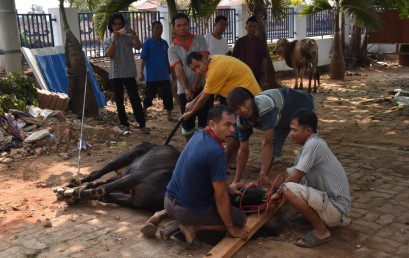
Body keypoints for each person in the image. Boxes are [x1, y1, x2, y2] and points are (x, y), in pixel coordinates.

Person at [165, 105, 248, 249]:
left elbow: (205, 177)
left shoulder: (199, 134)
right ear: (212, 124)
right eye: (227, 125)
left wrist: (228, 188)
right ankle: (192, 228)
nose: (233, 130)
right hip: (186, 211)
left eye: (234, 125)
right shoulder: (217, 153)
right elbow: (220, 197)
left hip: (168, 202)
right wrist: (231, 227)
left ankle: (165, 216)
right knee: (240, 219)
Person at [270, 109, 351, 248]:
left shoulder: (314, 145)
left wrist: (277, 193)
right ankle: (313, 216)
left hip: (337, 209)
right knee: (290, 177)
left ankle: (322, 231)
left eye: (294, 130)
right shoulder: (310, 144)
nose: (291, 134)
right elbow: (294, 174)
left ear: (307, 130)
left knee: (288, 189)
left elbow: (295, 178)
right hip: (331, 203)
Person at [181, 51, 262, 170]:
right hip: (242, 97)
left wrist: (190, 113)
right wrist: (192, 103)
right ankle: (229, 162)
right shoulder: (213, 61)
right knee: (236, 131)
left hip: (248, 101)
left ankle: (223, 164)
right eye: (194, 70)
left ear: (204, 58)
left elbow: (205, 97)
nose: (197, 71)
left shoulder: (215, 70)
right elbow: (207, 89)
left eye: (198, 66)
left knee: (234, 132)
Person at [226, 87, 315, 187]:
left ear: (250, 99)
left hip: (301, 105)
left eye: (243, 104)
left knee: (310, 143)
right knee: (272, 147)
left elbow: (266, 143)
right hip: (280, 119)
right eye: (237, 109)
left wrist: (262, 172)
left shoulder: (265, 106)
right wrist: (236, 181)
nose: (242, 110)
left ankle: (312, 177)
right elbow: (243, 149)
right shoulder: (241, 121)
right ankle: (263, 181)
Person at [103, 13, 149, 134]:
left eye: (119, 24)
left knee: (135, 99)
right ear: (111, 26)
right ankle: (124, 124)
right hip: (116, 74)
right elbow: (109, 54)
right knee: (119, 100)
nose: (117, 27)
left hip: (128, 72)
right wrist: (114, 40)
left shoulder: (128, 38)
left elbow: (139, 47)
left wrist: (133, 34)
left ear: (123, 25)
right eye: (115, 24)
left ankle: (142, 124)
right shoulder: (107, 40)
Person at [168, 13, 212, 142]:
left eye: (185, 24)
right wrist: (187, 89)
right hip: (184, 91)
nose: (182, 28)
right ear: (174, 28)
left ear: (189, 25)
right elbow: (178, 70)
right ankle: (190, 150)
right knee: (187, 123)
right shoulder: (172, 48)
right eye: (179, 25)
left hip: (204, 87)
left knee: (205, 123)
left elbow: (203, 63)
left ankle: (204, 148)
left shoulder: (199, 39)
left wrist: (195, 86)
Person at [140, 21, 178, 122]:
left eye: (160, 28)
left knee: (168, 95)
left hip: (164, 75)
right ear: (152, 29)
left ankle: (169, 115)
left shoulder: (165, 43)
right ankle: (143, 111)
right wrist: (141, 73)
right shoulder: (147, 43)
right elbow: (143, 59)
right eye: (157, 28)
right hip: (152, 76)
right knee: (149, 95)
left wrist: (172, 72)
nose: (159, 30)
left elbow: (168, 60)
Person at [232, 16, 268, 86]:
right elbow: (234, 59)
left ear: (256, 28)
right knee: (244, 94)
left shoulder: (260, 42)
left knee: (256, 94)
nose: (252, 28)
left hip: (257, 75)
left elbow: (264, 58)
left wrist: (264, 75)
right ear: (246, 27)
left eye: (254, 26)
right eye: (250, 26)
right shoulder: (240, 42)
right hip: (243, 74)